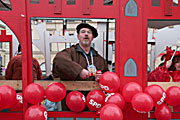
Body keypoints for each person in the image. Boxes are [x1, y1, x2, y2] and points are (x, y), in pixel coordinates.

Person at [52, 23, 109, 111]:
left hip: (93, 104)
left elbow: (108, 78)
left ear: (92, 37)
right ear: (78, 36)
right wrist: (79, 71)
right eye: (83, 32)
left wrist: (102, 78)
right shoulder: (70, 52)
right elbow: (58, 60)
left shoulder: (99, 59)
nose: (86, 34)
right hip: (71, 103)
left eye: (89, 32)